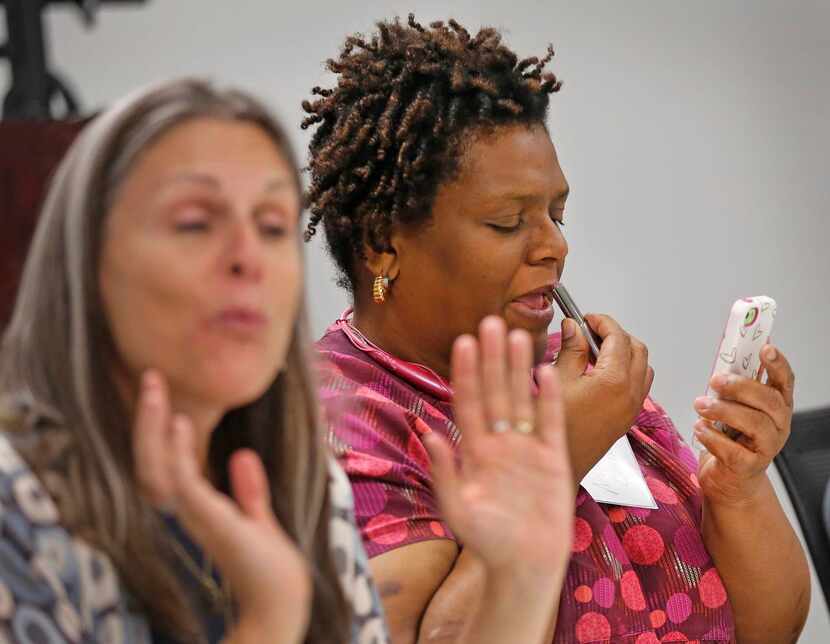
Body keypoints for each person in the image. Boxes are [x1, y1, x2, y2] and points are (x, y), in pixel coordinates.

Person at [303, 15, 810, 643]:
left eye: (555, 213)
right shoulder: (341, 420)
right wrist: (553, 465)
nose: (555, 247)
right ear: (382, 244)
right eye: (508, 222)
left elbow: (770, 631)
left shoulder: (574, 371)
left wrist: (736, 487)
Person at [0, 78, 388, 644]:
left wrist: (516, 574)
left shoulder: (303, 478)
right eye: (194, 223)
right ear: (86, 267)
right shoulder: (14, 511)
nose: (247, 258)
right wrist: (269, 619)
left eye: (274, 226)